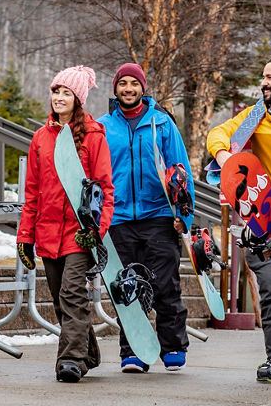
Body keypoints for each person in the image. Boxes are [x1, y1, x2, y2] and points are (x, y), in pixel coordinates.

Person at [207, 56, 271, 382]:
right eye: (262, 76)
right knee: (269, 290)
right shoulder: (256, 118)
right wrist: (228, 159)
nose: (263, 82)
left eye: (269, 77)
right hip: (263, 218)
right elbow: (217, 134)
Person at [16, 65, 114, 383]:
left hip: (79, 232)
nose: (58, 97)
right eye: (55, 91)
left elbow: (104, 189)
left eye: (66, 92)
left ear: (78, 99)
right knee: (60, 297)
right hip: (46, 231)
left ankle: (70, 359)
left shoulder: (94, 135)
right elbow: (32, 192)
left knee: (73, 293)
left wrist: (95, 231)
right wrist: (24, 236)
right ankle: (88, 352)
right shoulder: (41, 139)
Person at [98, 62, 194, 373]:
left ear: (142, 88)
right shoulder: (102, 127)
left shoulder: (162, 123)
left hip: (158, 215)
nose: (128, 89)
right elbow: (94, 177)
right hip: (119, 218)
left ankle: (173, 346)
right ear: (115, 89)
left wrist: (184, 216)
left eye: (133, 83)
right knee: (126, 288)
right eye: (122, 83)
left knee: (165, 284)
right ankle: (134, 351)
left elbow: (180, 170)